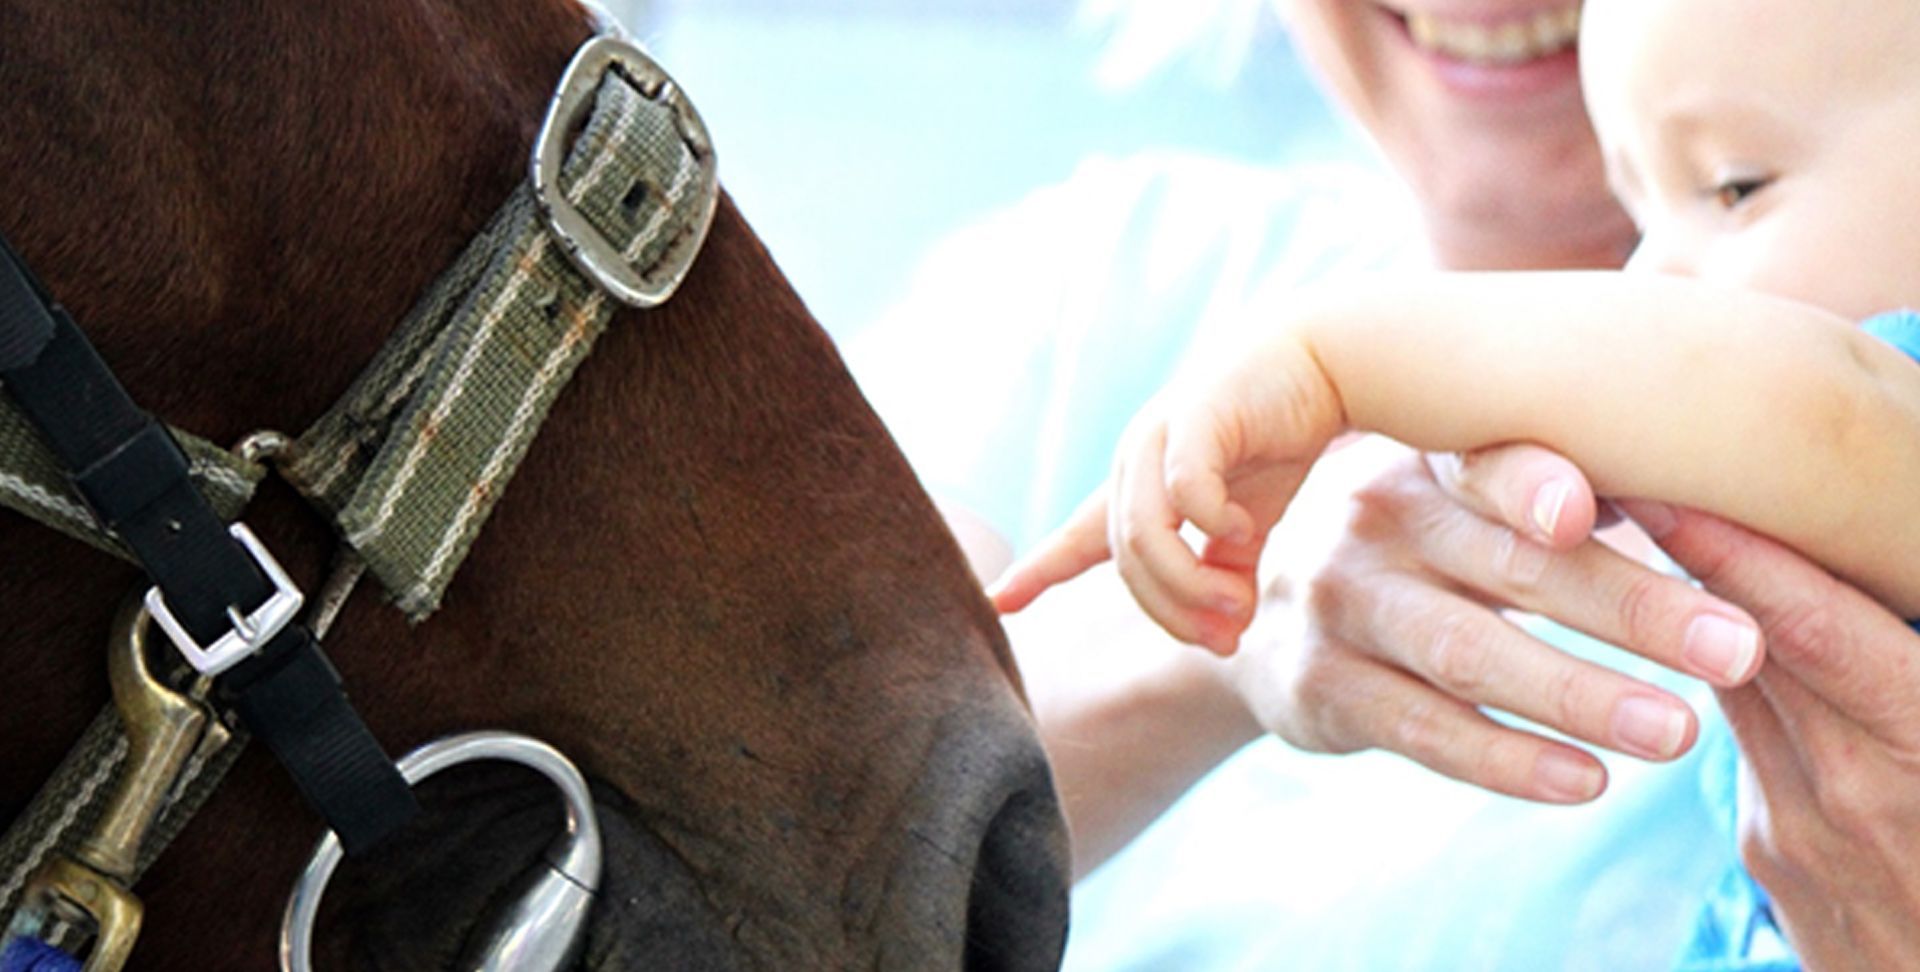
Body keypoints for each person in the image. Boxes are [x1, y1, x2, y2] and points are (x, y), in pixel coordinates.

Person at [856, 0, 1920, 967]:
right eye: (1647, 209)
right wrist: (1227, 640)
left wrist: (1343, 365)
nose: (1655, 282)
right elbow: (756, 842)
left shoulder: (1845, 407)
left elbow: (1830, 404)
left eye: (1734, 188)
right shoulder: (1103, 273)